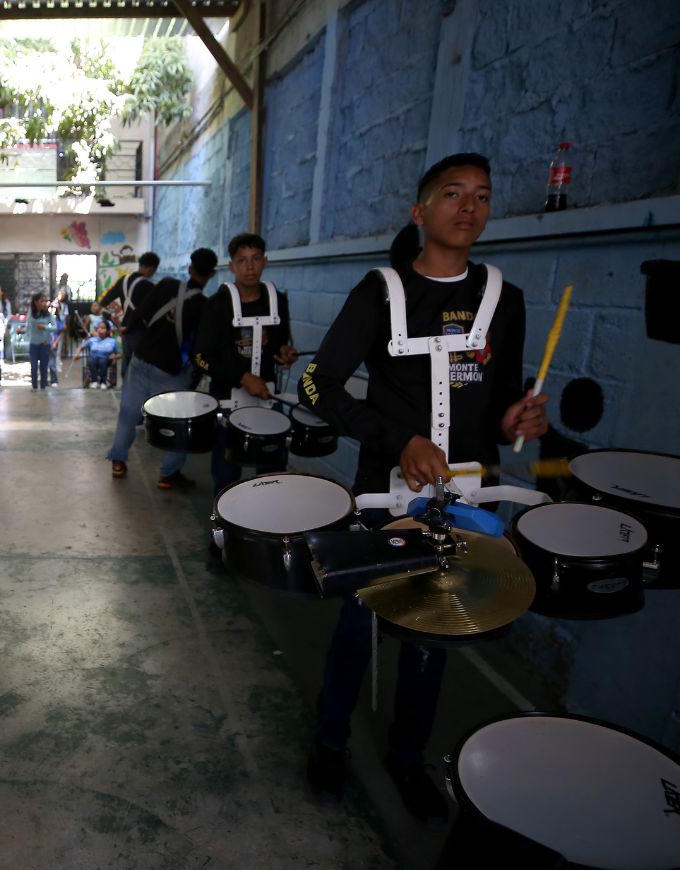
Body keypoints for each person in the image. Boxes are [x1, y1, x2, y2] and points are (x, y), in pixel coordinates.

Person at [299, 153, 549, 820]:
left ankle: (407, 758)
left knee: (436, 629)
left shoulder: (504, 299)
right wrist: (394, 439)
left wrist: (517, 417)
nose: (469, 207)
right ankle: (329, 741)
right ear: (420, 211)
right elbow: (315, 382)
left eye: (482, 196)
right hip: (386, 493)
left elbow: (502, 397)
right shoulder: (380, 293)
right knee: (360, 620)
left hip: (464, 499)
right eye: (452, 194)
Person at [194, 233, 298, 493]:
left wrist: (284, 353)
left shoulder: (278, 301)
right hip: (227, 403)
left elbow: (279, 343)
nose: (249, 267)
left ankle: (267, 517)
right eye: (241, 261)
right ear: (232, 266)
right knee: (227, 477)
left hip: (269, 399)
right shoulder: (216, 304)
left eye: (255, 259)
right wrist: (242, 377)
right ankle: (225, 518)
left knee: (272, 475)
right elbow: (201, 358)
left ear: (265, 261)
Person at [109, 247, 218, 488]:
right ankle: (168, 474)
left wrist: (129, 328)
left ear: (189, 268)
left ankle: (118, 461)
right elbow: (199, 346)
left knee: (128, 414)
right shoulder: (205, 305)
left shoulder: (167, 284)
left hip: (141, 359)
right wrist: (194, 378)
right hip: (170, 371)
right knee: (180, 421)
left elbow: (141, 312)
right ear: (211, 274)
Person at [99, 252, 159, 376]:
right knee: (140, 364)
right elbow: (145, 311)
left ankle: (126, 386)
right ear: (151, 269)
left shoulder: (124, 280)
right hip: (140, 330)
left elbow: (105, 300)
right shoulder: (149, 286)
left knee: (126, 362)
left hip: (125, 330)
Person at [75, 320, 120, 388]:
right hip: (94, 358)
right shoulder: (92, 339)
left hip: (106, 358)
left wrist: (114, 357)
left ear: (107, 330)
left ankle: (103, 382)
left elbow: (119, 354)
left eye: (103, 328)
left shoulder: (112, 341)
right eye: (99, 328)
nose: (100, 329)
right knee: (92, 360)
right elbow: (81, 347)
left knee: (102, 361)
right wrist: (77, 354)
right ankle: (94, 381)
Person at [23, 291, 53, 389]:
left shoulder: (48, 314)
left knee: (44, 367)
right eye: (42, 301)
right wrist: (22, 331)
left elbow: (55, 327)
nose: (44, 303)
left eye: (45, 301)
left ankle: (43, 387)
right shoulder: (31, 313)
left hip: (45, 344)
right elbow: (28, 327)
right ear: (36, 302)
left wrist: (45, 327)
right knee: (34, 367)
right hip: (33, 344)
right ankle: (34, 386)